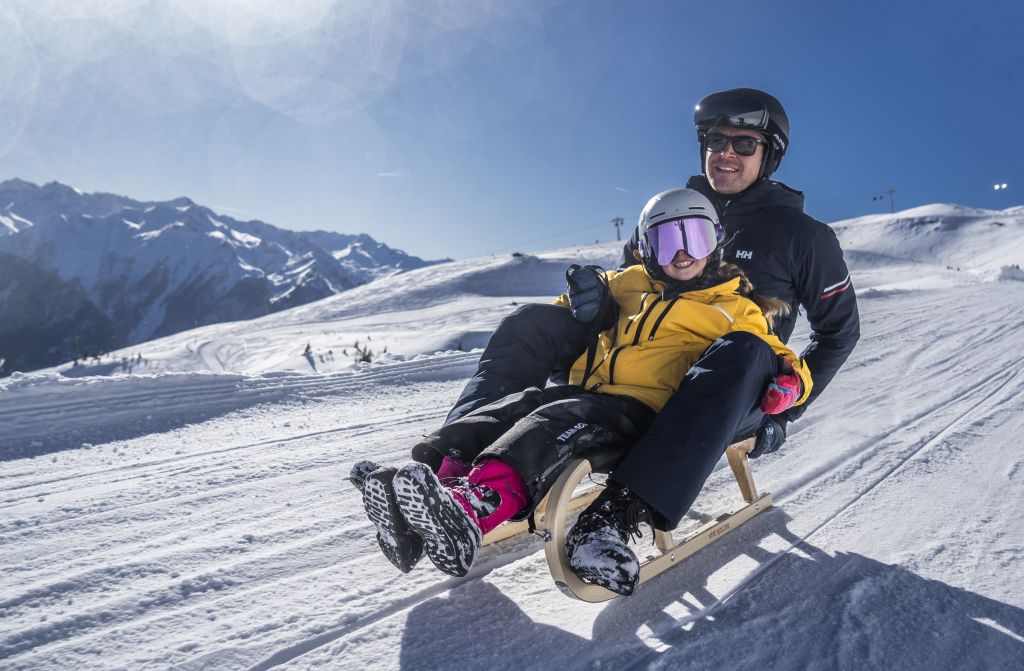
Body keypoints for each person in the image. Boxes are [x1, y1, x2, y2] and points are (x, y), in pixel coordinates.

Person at [352, 188, 813, 592]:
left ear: (715, 242)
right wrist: (584, 303)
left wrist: (790, 381)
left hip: (655, 416)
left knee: (551, 427)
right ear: (646, 247)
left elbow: (774, 355)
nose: (684, 253)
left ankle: (478, 508)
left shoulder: (734, 308)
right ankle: (431, 488)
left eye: (697, 238)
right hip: (590, 393)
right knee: (516, 409)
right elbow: (560, 312)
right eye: (670, 240)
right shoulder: (628, 282)